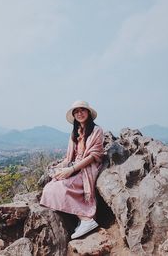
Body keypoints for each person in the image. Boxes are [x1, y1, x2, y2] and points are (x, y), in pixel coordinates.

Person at [40, 100, 104, 239]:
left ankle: (86, 220)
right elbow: (70, 157)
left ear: (88, 112)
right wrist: (60, 167)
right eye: (76, 111)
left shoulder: (96, 130)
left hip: (88, 168)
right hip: (75, 166)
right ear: (74, 115)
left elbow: (94, 155)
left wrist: (72, 169)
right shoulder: (75, 132)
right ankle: (81, 220)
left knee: (61, 188)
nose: (79, 113)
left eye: (82, 110)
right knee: (50, 187)